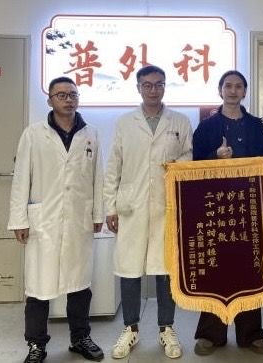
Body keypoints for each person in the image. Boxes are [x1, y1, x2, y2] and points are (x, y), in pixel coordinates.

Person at [8, 76, 105, 363]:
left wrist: (97, 213)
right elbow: (21, 178)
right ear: (50, 100)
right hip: (44, 221)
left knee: (79, 284)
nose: (68, 99)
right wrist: (19, 219)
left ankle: (80, 338)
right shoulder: (33, 134)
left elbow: (97, 177)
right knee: (39, 287)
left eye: (73, 94)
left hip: (78, 220)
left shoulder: (91, 134)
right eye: (61, 95)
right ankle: (36, 344)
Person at [104, 65, 193, 360]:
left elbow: (189, 156)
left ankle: (167, 328)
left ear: (165, 86)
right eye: (147, 85)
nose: (153, 90)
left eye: (159, 84)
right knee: (129, 269)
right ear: (139, 88)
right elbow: (113, 167)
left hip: (167, 206)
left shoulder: (180, 121)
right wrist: (110, 207)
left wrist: (177, 165)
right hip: (131, 206)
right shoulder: (124, 123)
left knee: (165, 269)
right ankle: (130, 328)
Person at [192, 70, 263, 356]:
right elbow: (194, 167)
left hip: (248, 206)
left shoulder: (256, 126)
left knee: (249, 269)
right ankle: (210, 334)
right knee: (215, 269)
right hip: (214, 206)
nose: (233, 90)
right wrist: (214, 157)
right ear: (220, 90)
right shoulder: (206, 127)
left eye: (239, 86)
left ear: (245, 91)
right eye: (228, 86)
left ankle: (251, 333)